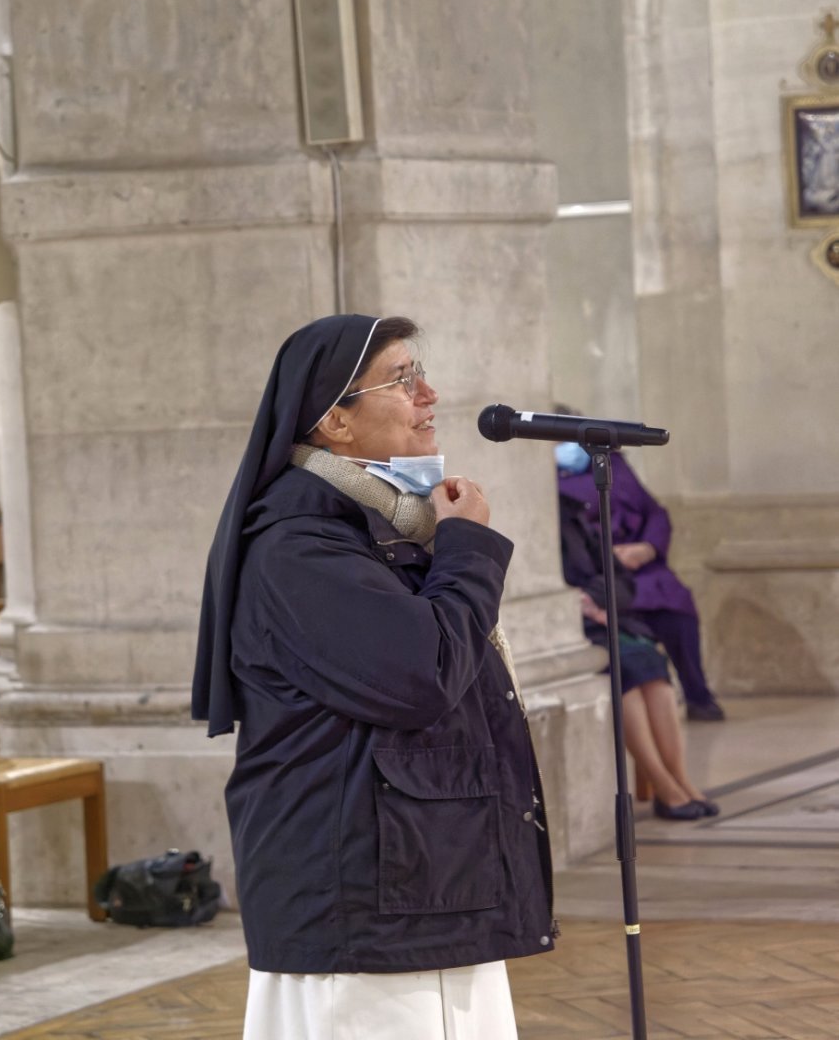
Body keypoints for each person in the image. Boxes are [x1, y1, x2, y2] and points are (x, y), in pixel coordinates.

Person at [193, 314, 556, 1040]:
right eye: (400, 379)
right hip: (361, 906)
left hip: (424, 881)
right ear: (334, 420)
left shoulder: (381, 522)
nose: (430, 392)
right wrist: (469, 549)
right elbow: (421, 677)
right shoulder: (299, 544)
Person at [558, 493, 719, 821]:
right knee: (626, 672)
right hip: (572, 629)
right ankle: (663, 785)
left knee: (652, 663)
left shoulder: (570, 512)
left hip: (605, 617)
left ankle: (680, 778)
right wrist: (573, 604)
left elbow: (619, 577)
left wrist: (596, 597)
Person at [554, 433, 725, 721]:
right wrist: (607, 555)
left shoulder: (613, 465)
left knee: (677, 607)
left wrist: (648, 548)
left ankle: (698, 695)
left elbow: (655, 512)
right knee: (639, 651)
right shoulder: (551, 487)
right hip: (600, 574)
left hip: (645, 568)